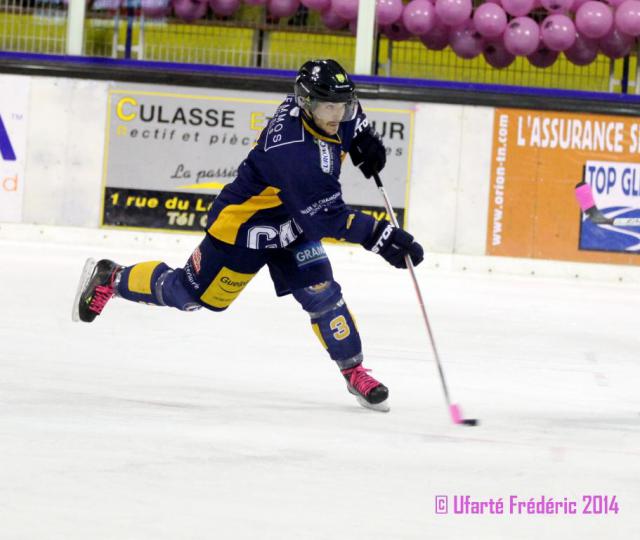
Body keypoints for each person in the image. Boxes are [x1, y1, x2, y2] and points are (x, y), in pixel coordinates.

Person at [73, 59, 424, 413]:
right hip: (244, 228)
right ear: (305, 103)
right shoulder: (294, 153)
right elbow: (329, 219)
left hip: (294, 224)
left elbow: (352, 117)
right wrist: (382, 237)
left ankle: (354, 371)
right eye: (326, 106)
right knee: (191, 295)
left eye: (341, 105)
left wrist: (364, 138)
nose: (336, 114)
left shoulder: (332, 108)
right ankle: (111, 277)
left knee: (323, 295)